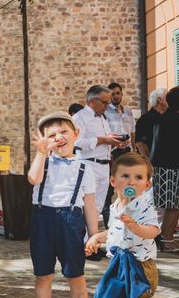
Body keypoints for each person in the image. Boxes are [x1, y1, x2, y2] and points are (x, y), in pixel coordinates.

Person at [19, 111, 98, 298]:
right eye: (51, 135)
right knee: (43, 275)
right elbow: (33, 179)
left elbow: (90, 205)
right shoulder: (43, 161)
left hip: (71, 221)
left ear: (76, 134)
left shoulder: (85, 168)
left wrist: (93, 236)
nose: (59, 138)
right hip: (43, 219)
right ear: (45, 140)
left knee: (76, 276)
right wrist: (41, 152)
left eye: (64, 132)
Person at [86, 153, 161, 298]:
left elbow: (153, 231)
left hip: (139, 268)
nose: (131, 181)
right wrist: (96, 238)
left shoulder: (144, 206)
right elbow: (114, 232)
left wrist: (137, 227)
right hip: (121, 264)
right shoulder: (116, 205)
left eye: (138, 177)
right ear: (113, 181)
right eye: (125, 176)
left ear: (146, 185)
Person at [72, 85, 128, 226]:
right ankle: (83, 242)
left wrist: (114, 143)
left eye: (108, 102)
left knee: (97, 207)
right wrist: (103, 139)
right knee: (86, 206)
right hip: (88, 165)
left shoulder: (103, 118)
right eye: (104, 102)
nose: (107, 105)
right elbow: (76, 143)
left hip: (104, 166)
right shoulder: (79, 117)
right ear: (93, 101)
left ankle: (91, 241)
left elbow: (103, 144)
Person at [150, 86, 179, 252]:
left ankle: (166, 238)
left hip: (165, 167)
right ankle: (166, 239)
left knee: (172, 205)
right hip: (171, 167)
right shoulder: (172, 119)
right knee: (173, 205)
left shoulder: (165, 118)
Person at [103, 82, 135, 223]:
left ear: (121, 94)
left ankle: (129, 218)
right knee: (111, 187)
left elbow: (132, 132)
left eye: (117, 93)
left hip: (127, 152)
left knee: (130, 185)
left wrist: (133, 148)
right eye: (113, 94)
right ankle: (109, 223)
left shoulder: (128, 112)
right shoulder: (105, 113)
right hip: (113, 153)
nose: (115, 96)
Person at [134, 88, 167, 158]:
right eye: (167, 97)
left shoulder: (166, 117)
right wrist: (149, 162)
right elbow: (140, 142)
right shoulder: (145, 119)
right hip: (153, 163)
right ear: (159, 100)